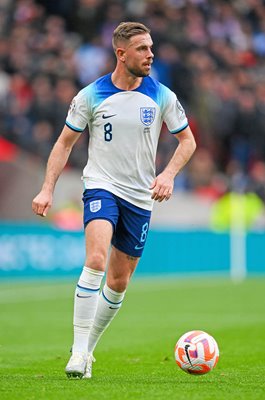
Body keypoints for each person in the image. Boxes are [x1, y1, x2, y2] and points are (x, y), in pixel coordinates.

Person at [32, 21, 196, 379]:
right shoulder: (90, 95)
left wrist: (167, 175)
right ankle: (76, 354)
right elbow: (63, 144)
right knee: (95, 258)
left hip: (140, 197)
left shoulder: (162, 95)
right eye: (142, 49)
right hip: (101, 186)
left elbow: (188, 141)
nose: (151, 54)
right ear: (121, 54)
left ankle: (88, 351)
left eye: (151, 47)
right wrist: (48, 188)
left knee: (118, 282)